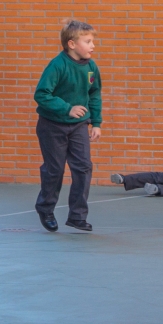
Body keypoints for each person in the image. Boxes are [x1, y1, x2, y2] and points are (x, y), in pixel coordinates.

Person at [33, 20, 102, 233]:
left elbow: (94, 93)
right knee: (54, 170)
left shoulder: (91, 66)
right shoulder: (57, 65)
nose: (92, 46)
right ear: (72, 44)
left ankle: (77, 216)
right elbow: (42, 94)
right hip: (52, 126)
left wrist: (96, 123)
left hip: (78, 126)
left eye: (93, 41)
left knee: (83, 168)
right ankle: (45, 208)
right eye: (88, 41)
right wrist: (67, 108)